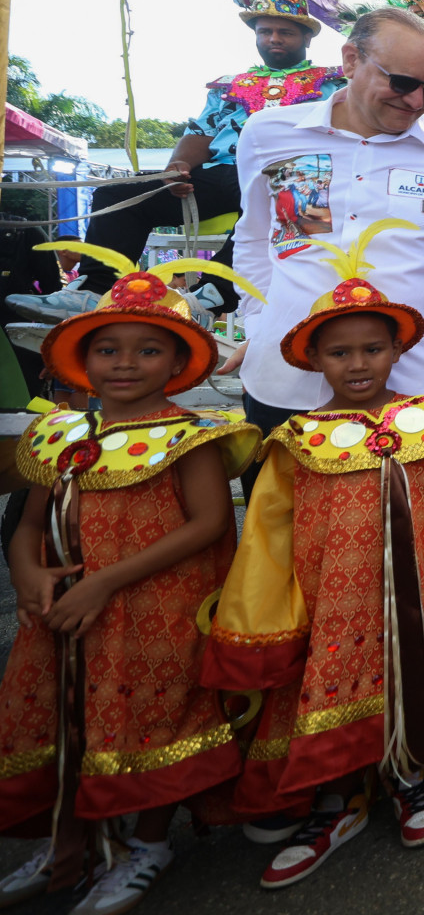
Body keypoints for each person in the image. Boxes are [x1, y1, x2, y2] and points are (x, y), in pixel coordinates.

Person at [202, 231, 424, 886]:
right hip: (327, 607)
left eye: (373, 348)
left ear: (397, 351)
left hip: (411, 600)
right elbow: (268, 533)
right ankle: (336, 799)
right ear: (313, 358)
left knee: (410, 674)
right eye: (339, 351)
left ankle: (409, 774)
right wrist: (266, 612)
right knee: (328, 688)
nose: (358, 363)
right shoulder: (296, 441)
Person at [0, 247, 260, 913]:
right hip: (66, 611)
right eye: (107, 349)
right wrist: (28, 573)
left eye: (147, 350)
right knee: (73, 712)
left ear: (178, 364)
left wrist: (105, 582)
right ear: (81, 360)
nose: (124, 363)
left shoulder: (190, 437)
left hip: (156, 611)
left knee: (156, 714)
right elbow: (28, 524)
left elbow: (207, 524)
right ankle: (71, 840)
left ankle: (147, 842)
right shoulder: (60, 435)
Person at [225, 5, 424, 448]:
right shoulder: (267, 133)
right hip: (284, 381)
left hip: (416, 382)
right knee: (279, 496)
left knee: (411, 497)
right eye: (402, 83)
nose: (417, 101)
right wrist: (258, 326)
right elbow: (255, 236)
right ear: (351, 60)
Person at [5, 0, 343, 325]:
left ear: (307, 37)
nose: (273, 39)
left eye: (285, 32)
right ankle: (92, 291)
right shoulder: (229, 86)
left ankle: (209, 298)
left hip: (289, 173)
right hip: (223, 171)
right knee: (119, 193)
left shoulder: (335, 83)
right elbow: (201, 132)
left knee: (294, 199)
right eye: (265, 31)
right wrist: (176, 168)